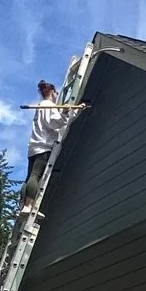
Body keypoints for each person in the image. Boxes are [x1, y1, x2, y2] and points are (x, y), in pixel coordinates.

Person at [20, 79, 86, 209]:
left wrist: (76, 111)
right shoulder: (47, 105)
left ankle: (23, 205)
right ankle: (28, 206)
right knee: (35, 175)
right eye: (56, 94)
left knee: (30, 177)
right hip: (43, 146)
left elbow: (61, 123)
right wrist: (65, 112)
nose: (57, 97)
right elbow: (54, 123)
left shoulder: (43, 105)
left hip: (34, 147)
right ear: (53, 92)